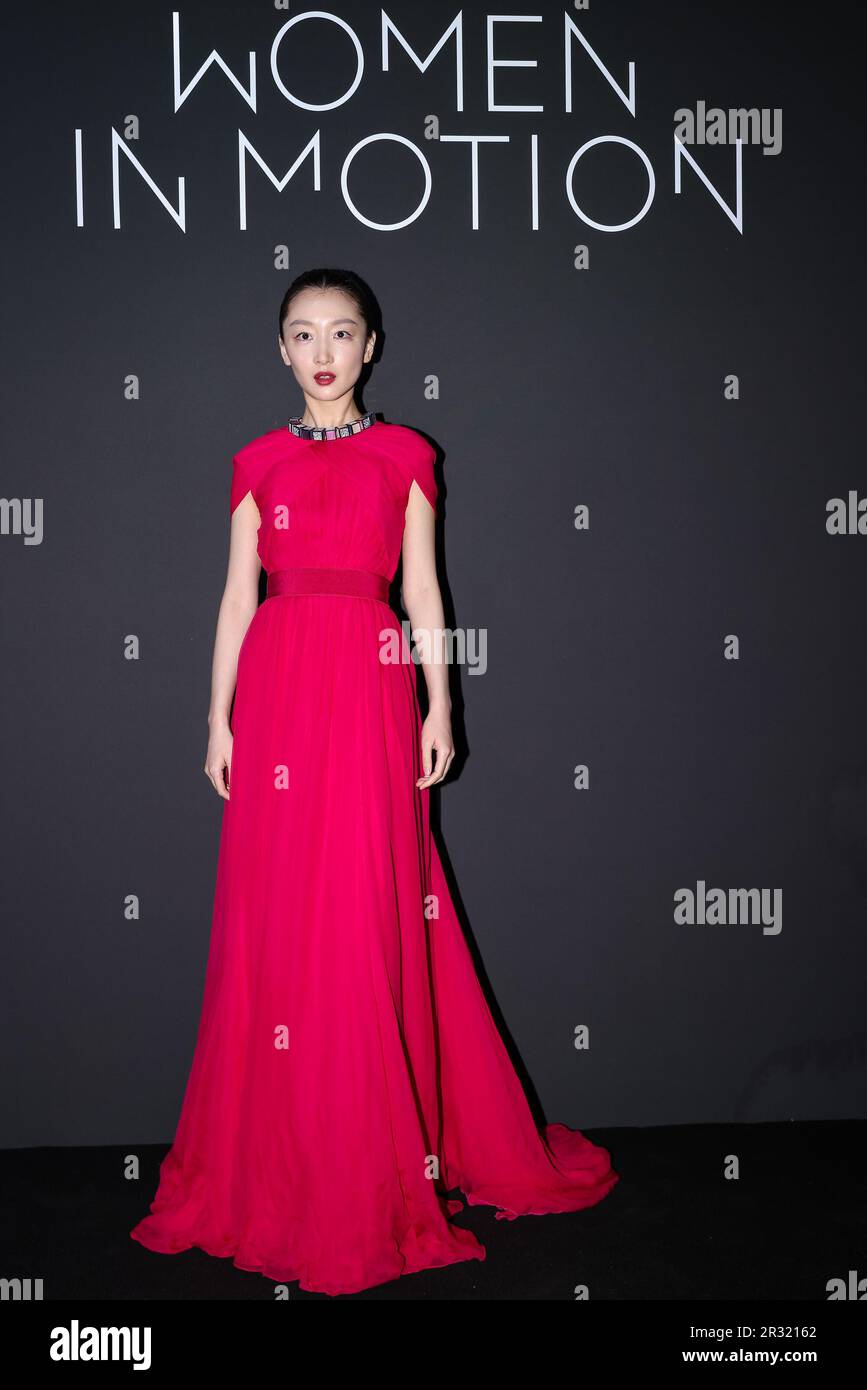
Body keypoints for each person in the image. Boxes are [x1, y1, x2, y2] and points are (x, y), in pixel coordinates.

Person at [130, 267, 619, 1296]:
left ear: (372, 345)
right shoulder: (254, 462)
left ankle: (375, 1158)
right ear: (281, 348)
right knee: (279, 916)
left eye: (341, 332)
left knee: (367, 908)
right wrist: (215, 718)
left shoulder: (406, 455)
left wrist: (444, 703)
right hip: (275, 689)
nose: (322, 351)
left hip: (370, 679)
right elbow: (233, 598)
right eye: (303, 333)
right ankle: (281, 1158)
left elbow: (429, 586)